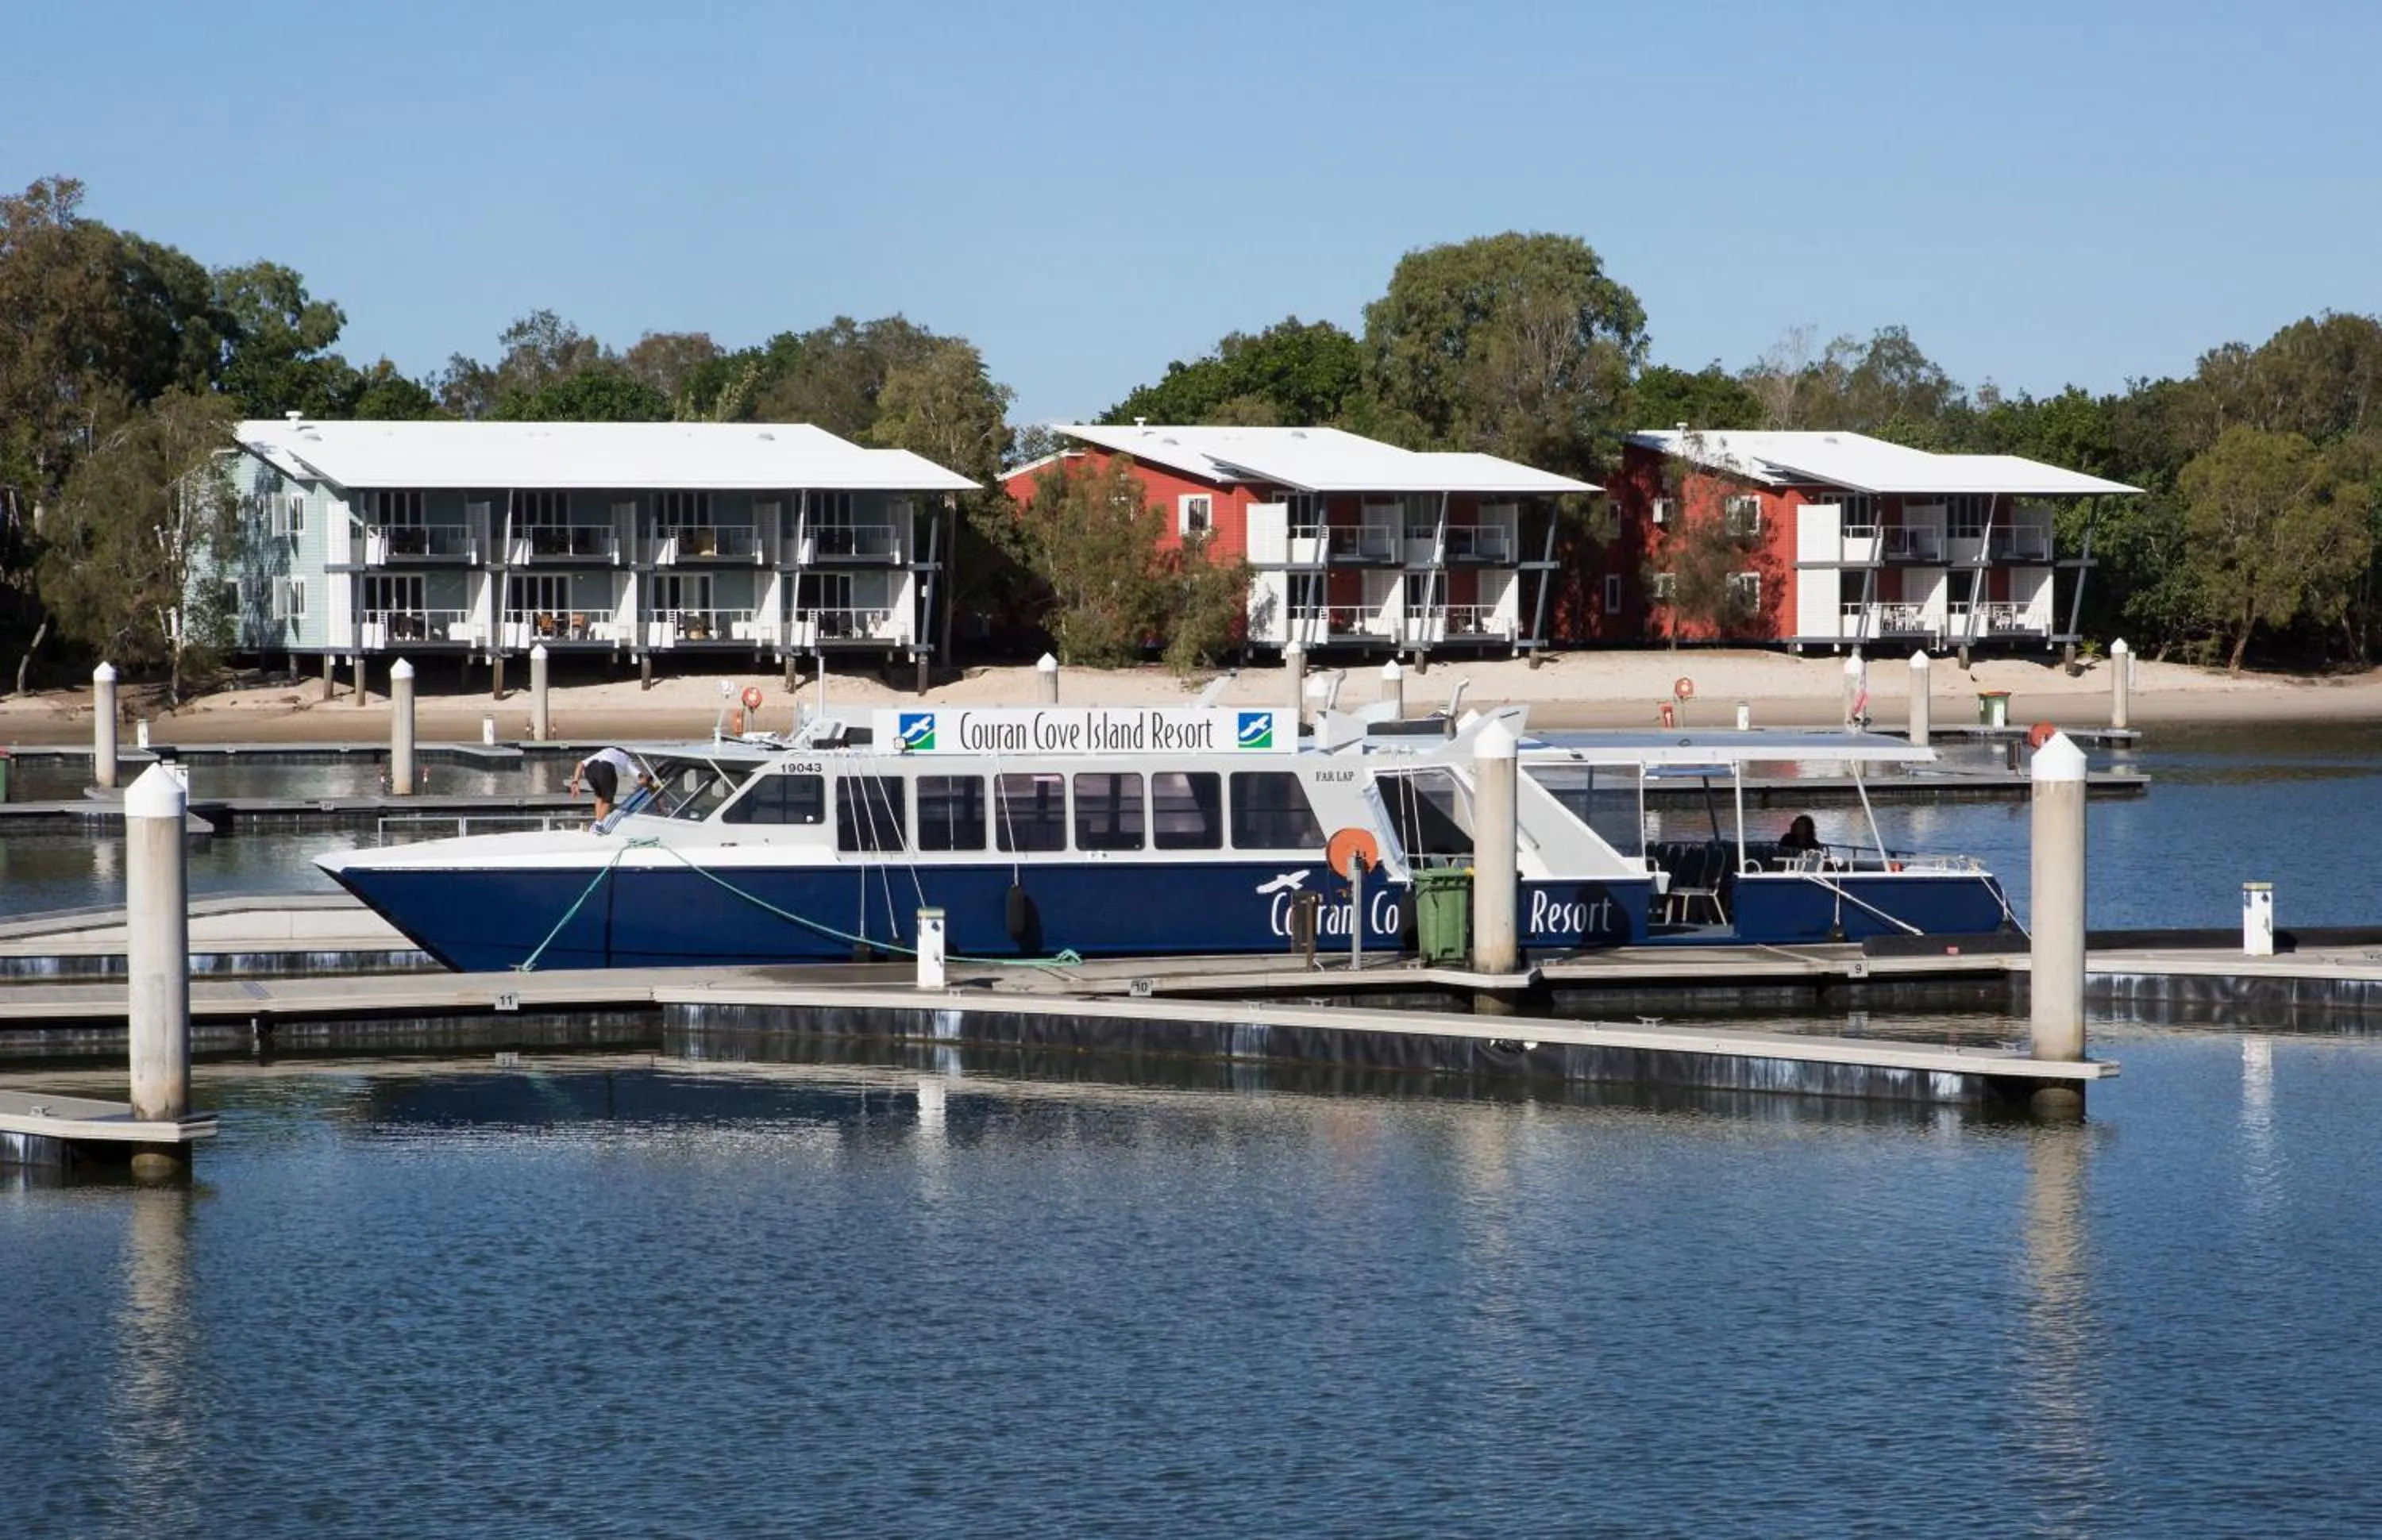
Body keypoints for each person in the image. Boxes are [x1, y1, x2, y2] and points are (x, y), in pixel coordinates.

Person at [569, 746, 649, 826]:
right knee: (608, 799)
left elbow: (580, 764)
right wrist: (646, 783)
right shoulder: (626, 759)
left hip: (590, 770)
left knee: (600, 796)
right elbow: (641, 777)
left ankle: (597, 822)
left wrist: (575, 782)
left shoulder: (605, 751)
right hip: (607, 769)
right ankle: (598, 825)